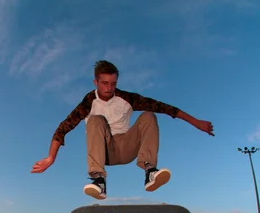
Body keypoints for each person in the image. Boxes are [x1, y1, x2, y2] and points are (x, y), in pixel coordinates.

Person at [31, 60, 214, 199]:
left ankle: (150, 171)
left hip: (127, 148)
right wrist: (51, 158)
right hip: (105, 151)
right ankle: (99, 181)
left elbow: (164, 107)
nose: (109, 88)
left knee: (149, 115)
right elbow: (63, 128)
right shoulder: (88, 102)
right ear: (96, 82)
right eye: (105, 83)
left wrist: (196, 122)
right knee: (95, 120)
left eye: (113, 83)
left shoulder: (127, 98)